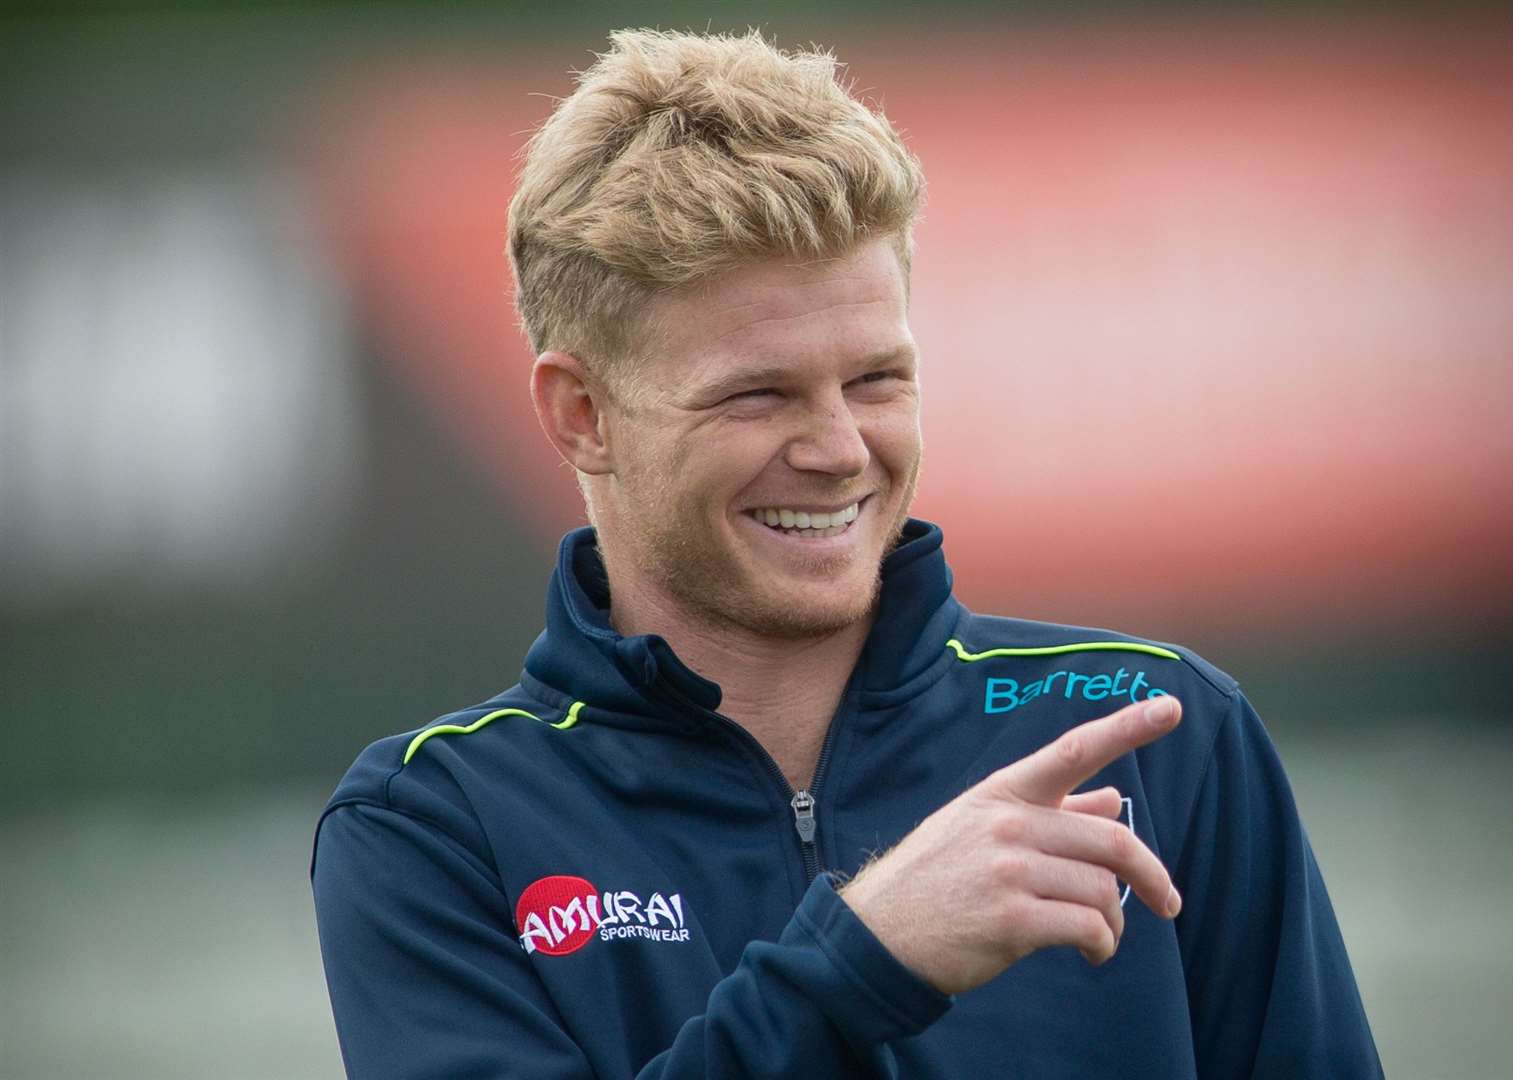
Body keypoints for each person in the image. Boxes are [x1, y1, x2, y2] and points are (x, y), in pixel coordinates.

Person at [311, 28, 1382, 1078]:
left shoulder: (1153, 739)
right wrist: (862, 962)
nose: (838, 450)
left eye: (876, 379)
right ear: (583, 413)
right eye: (758, 393)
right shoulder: (435, 828)